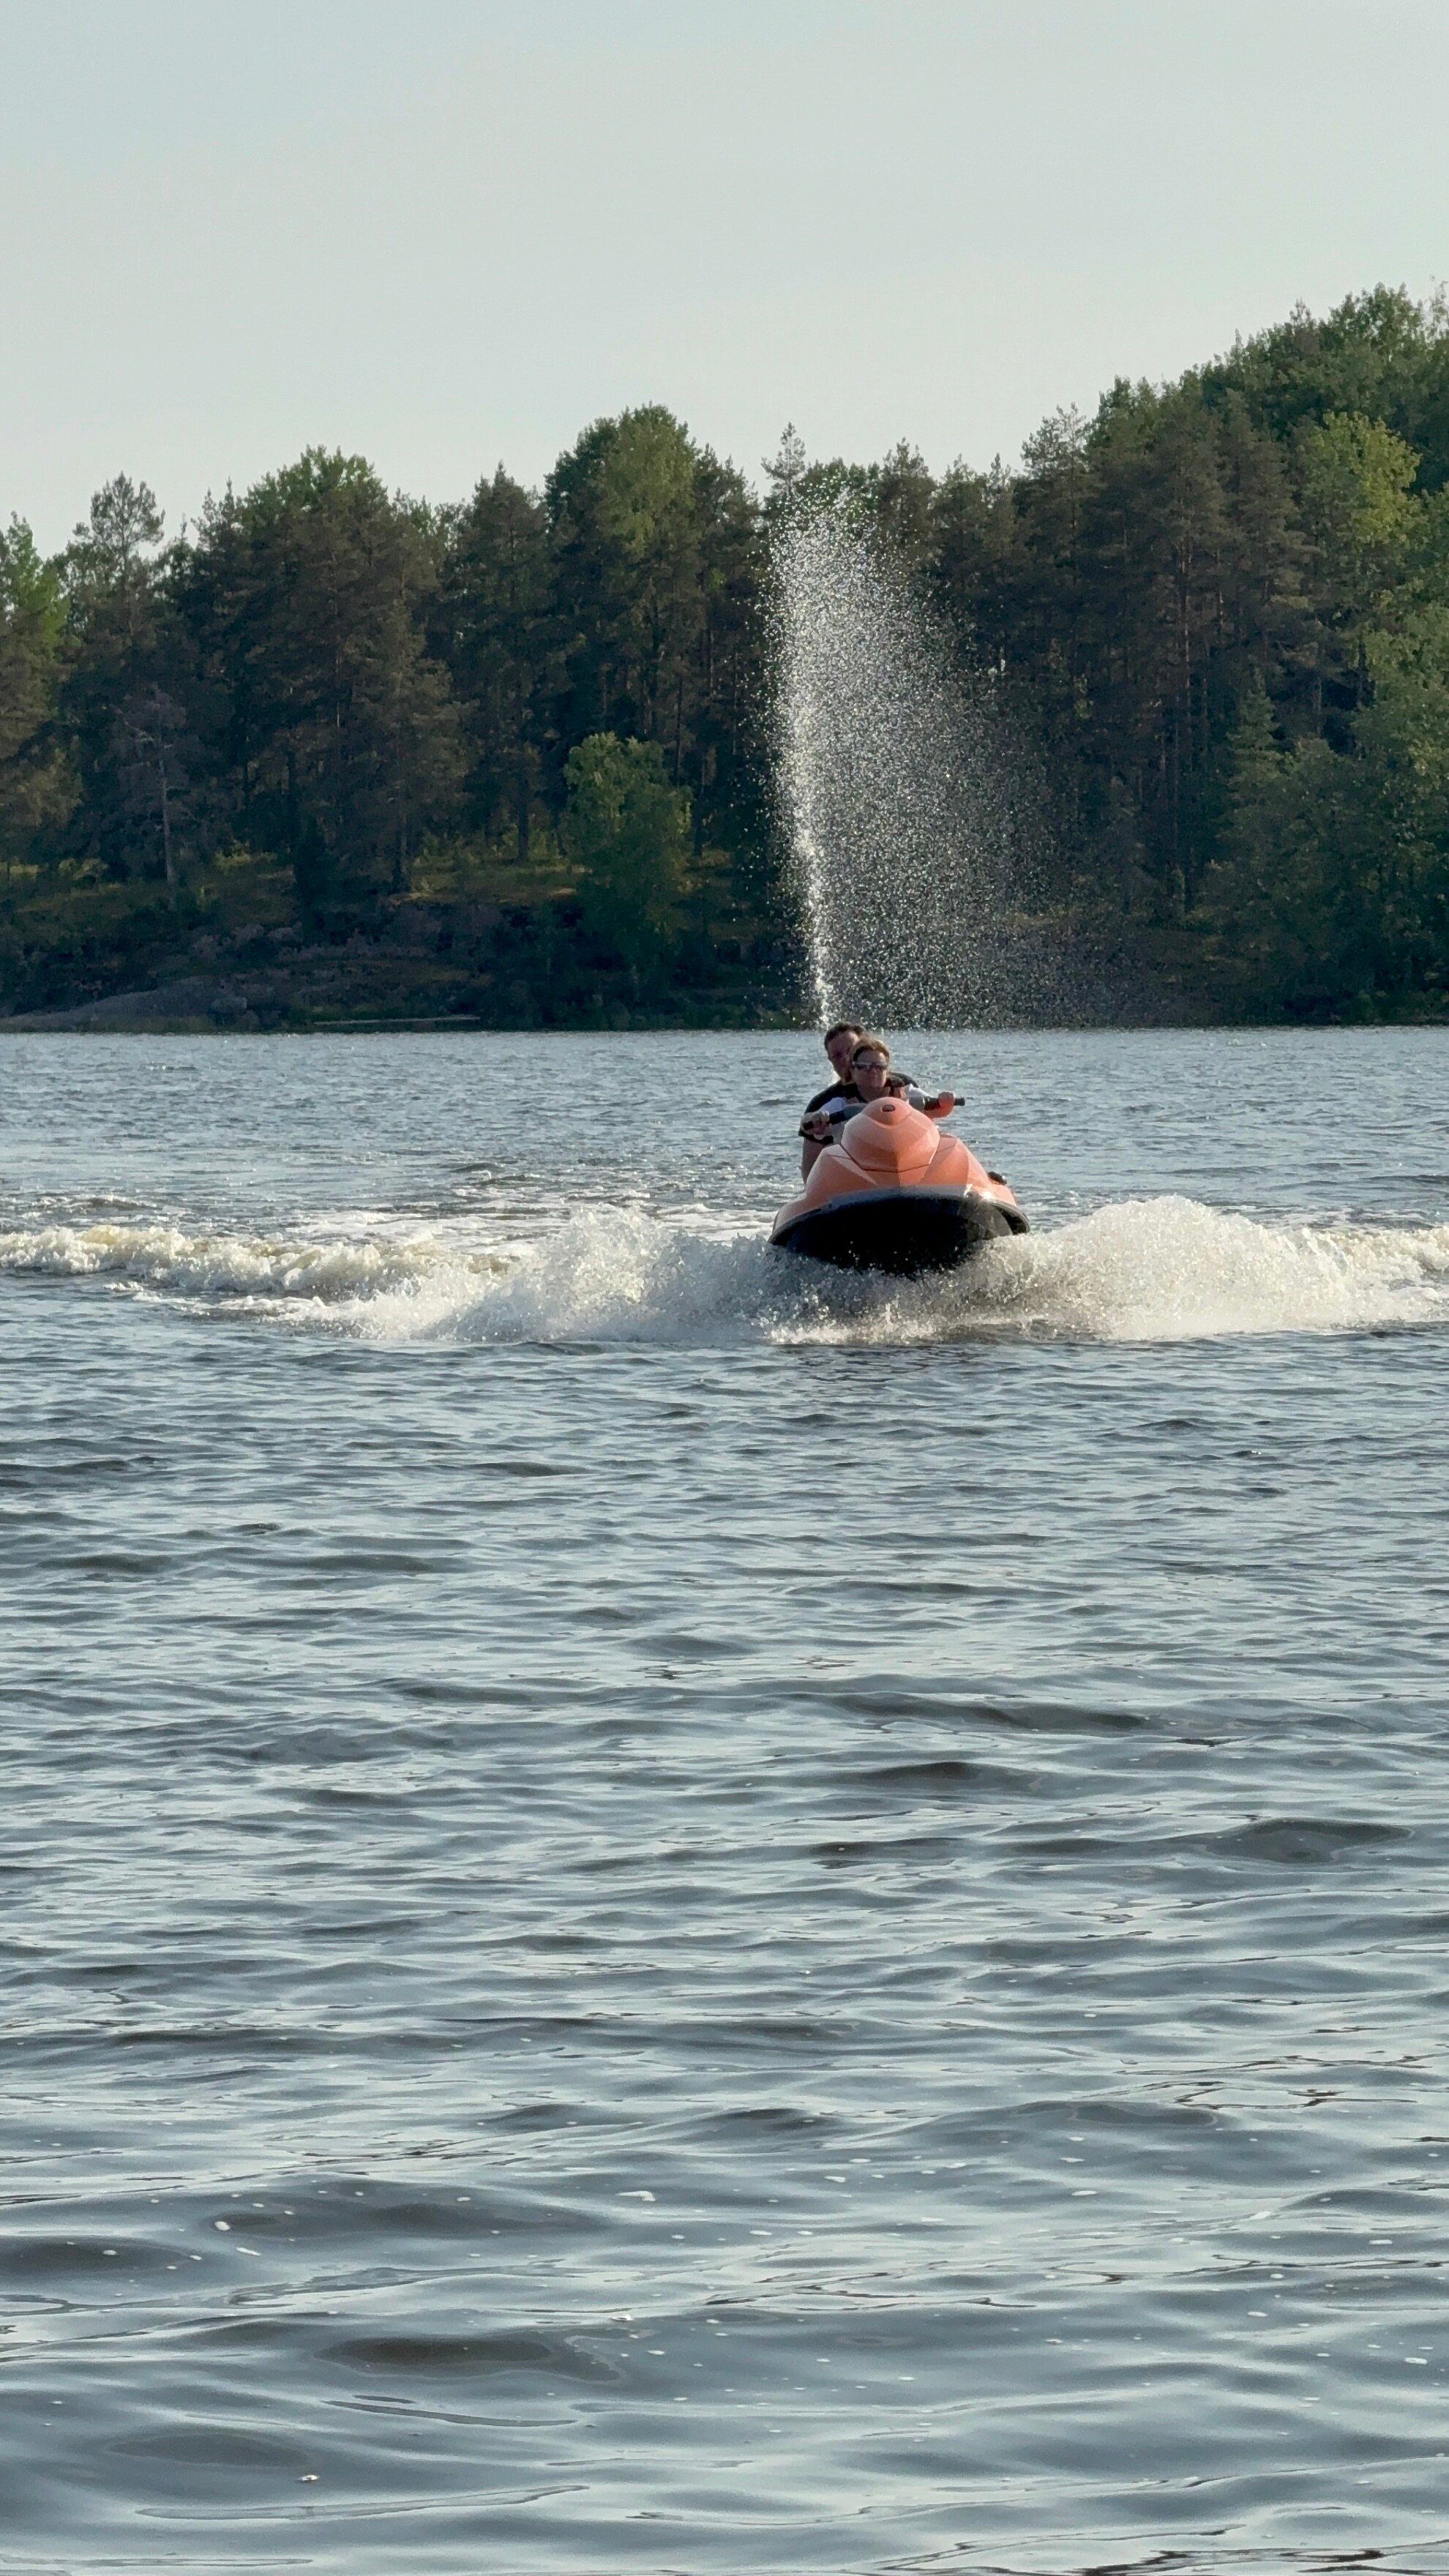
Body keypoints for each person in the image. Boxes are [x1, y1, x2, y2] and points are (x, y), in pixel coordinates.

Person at [800, 1037, 954, 1165]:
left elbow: (939, 1110)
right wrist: (815, 1119)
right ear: (853, 1071)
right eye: (864, 1067)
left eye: (879, 1067)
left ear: (887, 1070)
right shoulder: (840, 1104)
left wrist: (945, 1102)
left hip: (907, 1162)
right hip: (858, 1169)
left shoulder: (906, 1094)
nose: (872, 1071)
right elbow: (807, 1124)